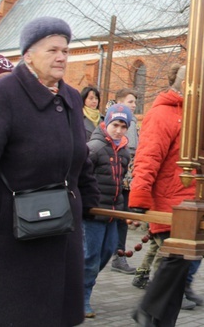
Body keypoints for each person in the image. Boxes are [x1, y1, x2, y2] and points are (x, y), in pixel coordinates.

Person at [0, 16, 101, 327]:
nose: (62, 57)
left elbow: (79, 155)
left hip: (58, 227)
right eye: (53, 50)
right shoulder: (1, 95)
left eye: (65, 50)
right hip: (6, 233)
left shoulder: (68, 96)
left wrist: (91, 202)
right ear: (28, 54)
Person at [130, 64, 203, 326]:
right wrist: (139, 198)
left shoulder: (195, 114)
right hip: (169, 204)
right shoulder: (162, 113)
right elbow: (148, 156)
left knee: (180, 268)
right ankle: (147, 309)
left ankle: (154, 316)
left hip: (189, 202)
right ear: (185, 84)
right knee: (175, 260)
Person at [83, 103, 133, 318]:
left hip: (113, 213)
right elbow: (81, 177)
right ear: (107, 123)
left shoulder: (124, 153)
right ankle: (82, 296)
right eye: (115, 124)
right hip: (93, 213)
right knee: (90, 256)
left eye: (123, 126)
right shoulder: (94, 148)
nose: (119, 130)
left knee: (107, 251)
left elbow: (120, 181)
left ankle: (84, 286)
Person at [110, 87, 140, 274]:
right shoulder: (110, 122)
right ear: (120, 102)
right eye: (130, 101)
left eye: (135, 102)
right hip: (114, 177)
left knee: (121, 219)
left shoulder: (133, 123)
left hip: (128, 178)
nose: (134, 105)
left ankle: (118, 255)